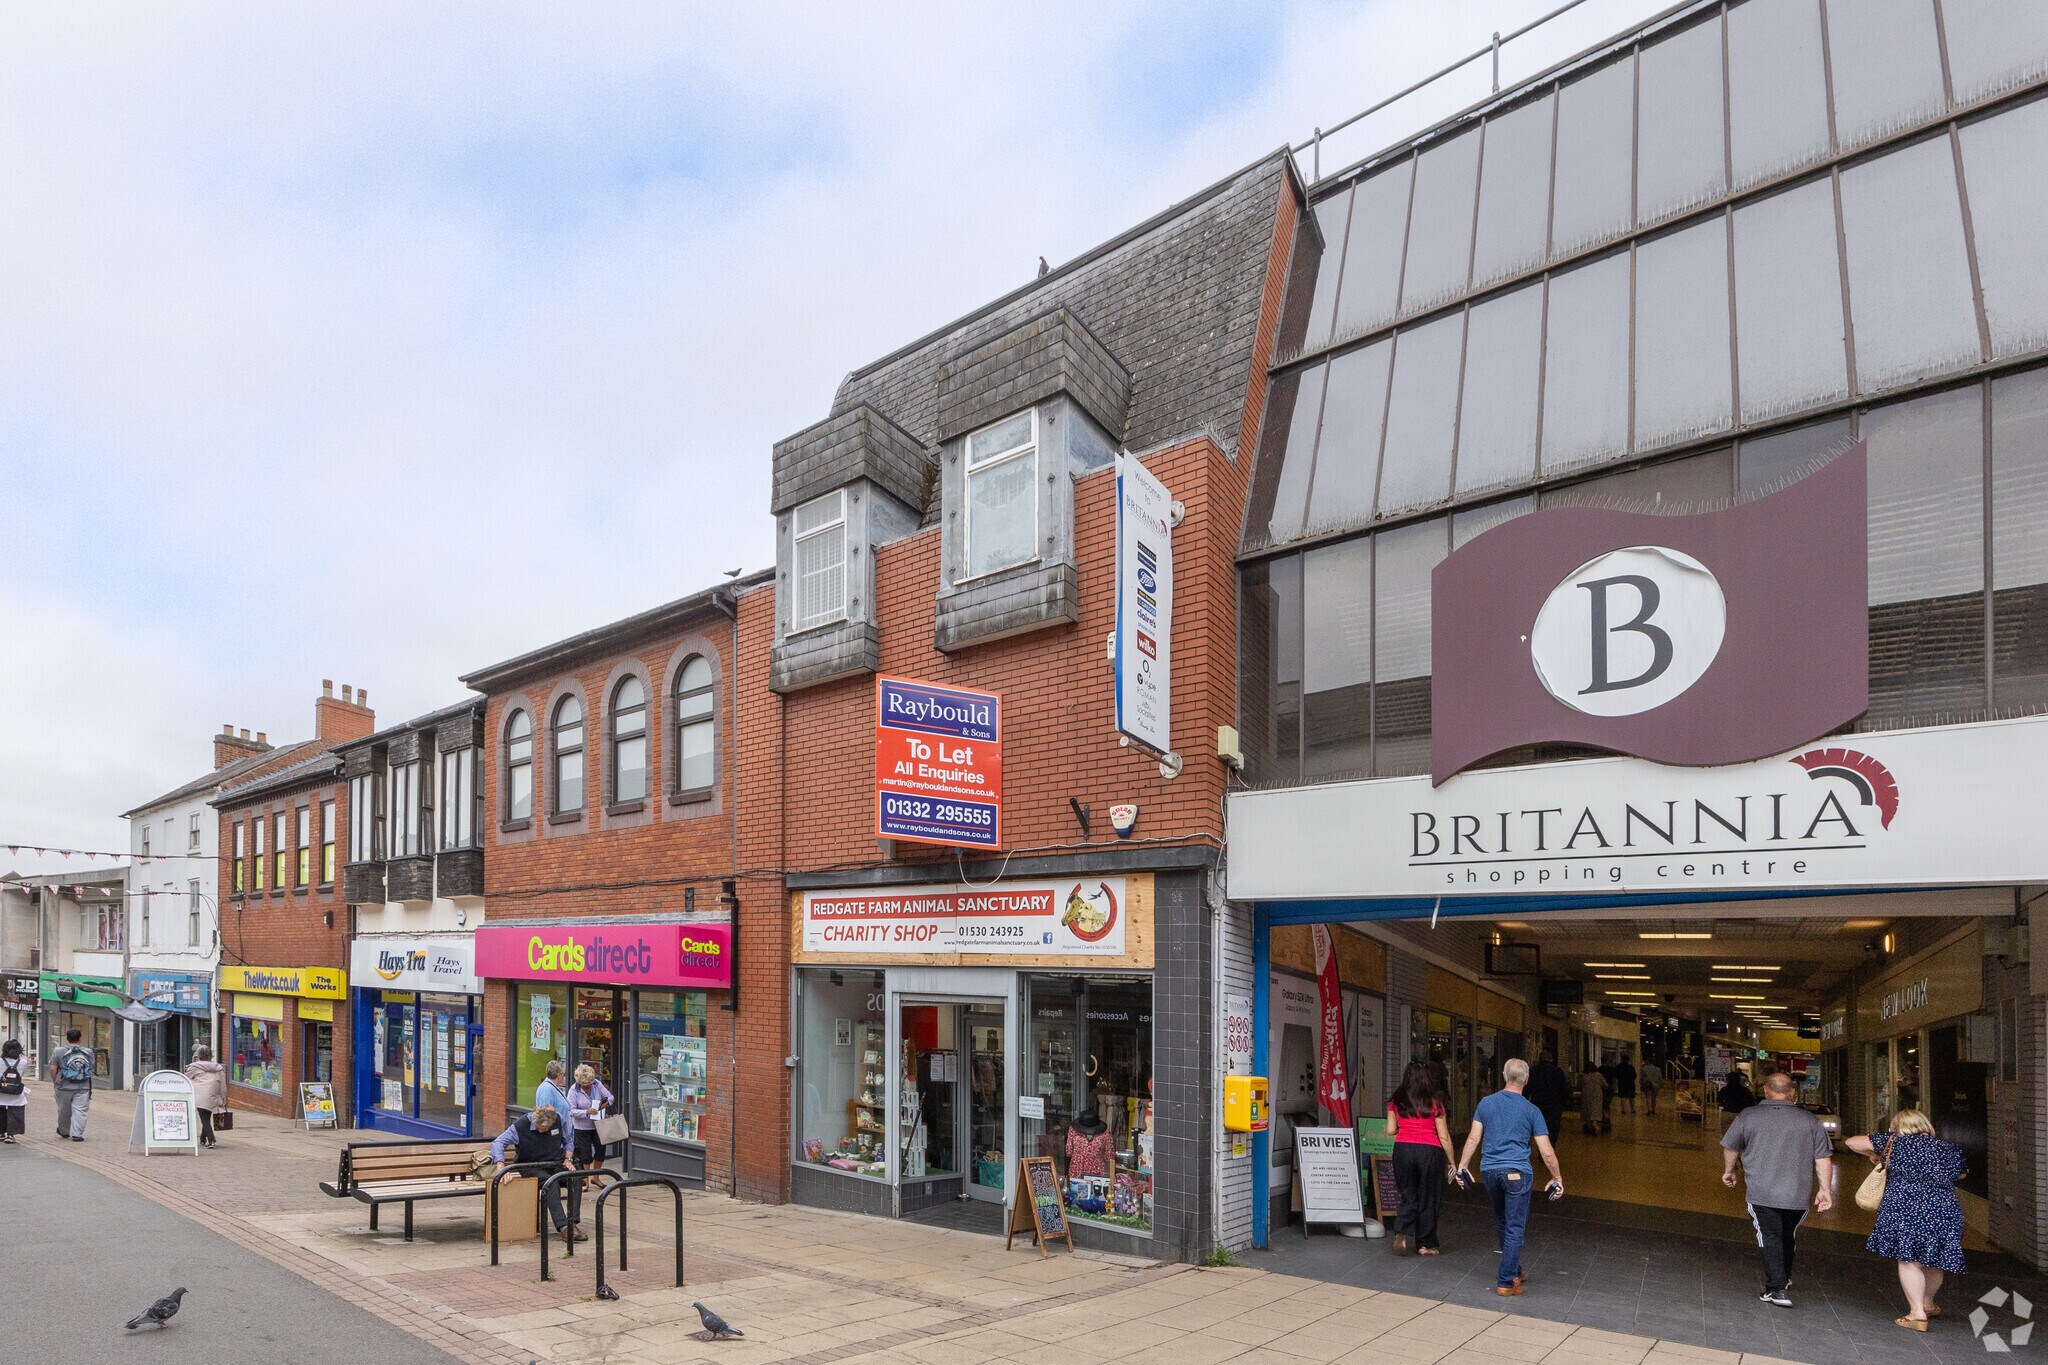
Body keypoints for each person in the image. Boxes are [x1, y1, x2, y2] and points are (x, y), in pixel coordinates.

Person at [1846, 1110, 1967, 1332]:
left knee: (1909, 1259)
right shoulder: (1948, 1149)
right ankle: (1927, 1304)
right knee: (1933, 1259)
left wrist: (1881, 1154)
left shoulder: (1894, 1142)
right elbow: (1961, 1175)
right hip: (1946, 1211)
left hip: (1906, 1209)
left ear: (1897, 1127)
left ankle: (1916, 1314)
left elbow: (1852, 1142)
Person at [1720, 1072, 1834, 1307]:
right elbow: (1823, 1158)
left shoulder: (1748, 1116)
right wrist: (1825, 1190)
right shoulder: (1809, 1120)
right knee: (1786, 1236)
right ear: (1792, 1093)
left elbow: (1731, 1145)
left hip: (1762, 1192)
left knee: (1769, 1237)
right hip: (1797, 1194)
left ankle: (1776, 1289)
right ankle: (1784, 1277)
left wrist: (1729, 1171)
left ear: (1765, 1091)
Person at [1456, 1058, 1565, 1297]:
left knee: (1504, 1222)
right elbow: (1546, 1151)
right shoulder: (1532, 1110)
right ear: (1526, 1080)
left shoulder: (1486, 1103)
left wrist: (1462, 1166)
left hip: (1490, 1172)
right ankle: (1506, 1281)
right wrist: (1557, 1177)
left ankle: (1514, 1268)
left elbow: (1474, 1139)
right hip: (1518, 1174)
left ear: (1504, 1076)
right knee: (1515, 1227)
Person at [1385, 1062, 1458, 1257]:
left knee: (1408, 1194)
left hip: (1403, 1150)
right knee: (1429, 1196)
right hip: (1430, 1151)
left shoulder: (1395, 1101)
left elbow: (1391, 1130)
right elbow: (1443, 1136)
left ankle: (1401, 1231)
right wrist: (1452, 1161)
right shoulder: (1435, 1103)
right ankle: (1425, 1245)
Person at [489, 1105, 585, 1241]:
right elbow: (498, 1142)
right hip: (530, 1166)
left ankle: (573, 1223)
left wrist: (568, 1159)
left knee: (575, 1177)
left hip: (554, 1162)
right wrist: (501, 1165)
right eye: (538, 1127)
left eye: (545, 1129)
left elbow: (568, 1140)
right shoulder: (521, 1125)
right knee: (551, 1183)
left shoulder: (558, 1119)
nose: (541, 1131)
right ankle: (564, 1227)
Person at [566, 1063, 615, 1170]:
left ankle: (596, 1177)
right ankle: (585, 1180)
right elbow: (571, 1111)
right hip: (581, 1127)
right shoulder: (573, 1090)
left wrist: (605, 1104)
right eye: (585, 1084)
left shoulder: (597, 1084)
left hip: (598, 1125)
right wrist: (586, 1112)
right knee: (585, 1155)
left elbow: (610, 1097)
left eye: (589, 1083)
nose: (588, 1086)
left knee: (601, 1151)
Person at [51, 1027, 94, 1141]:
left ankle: (64, 1131)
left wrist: (55, 1081)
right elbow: (90, 1067)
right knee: (80, 1110)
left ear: (67, 1038)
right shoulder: (88, 1052)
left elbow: (53, 1068)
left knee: (63, 1109)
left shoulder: (58, 1051)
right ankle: (77, 1134)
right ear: (80, 1038)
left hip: (63, 1085)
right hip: (83, 1085)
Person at [183, 1045, 227, 1149]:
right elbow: (223, 1084)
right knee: (206, 1116)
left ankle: (212, 1140)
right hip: (213, 1095)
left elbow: (185, 1079)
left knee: (204, 1119)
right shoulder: (218, 1068)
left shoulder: (194, 1067)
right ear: (211, 1055)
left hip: (200, 1095)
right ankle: (202, 1139)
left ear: (198, 1055)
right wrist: (223, 1097)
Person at [1524, 1052, 1570, 1141]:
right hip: (1554, 1106)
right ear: (1551, 1059)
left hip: (1538, 1104)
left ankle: (1541, 1148)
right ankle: (1549, 1148)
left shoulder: (1533, 1071)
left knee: (1538, 1128)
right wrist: (1562, 1105)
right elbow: (1564, 1089)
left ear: (1539, 1059)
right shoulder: (1558, 1071)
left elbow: (1527, 1088)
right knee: (1552, 1129)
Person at [0, 1039, 28, 1143]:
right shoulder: (23, 1062)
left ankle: (1, 1133)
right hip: (16, 1092)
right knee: (15, 1112)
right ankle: (10, 1135)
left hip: (1, 1091)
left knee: (1, 1111)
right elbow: (22, 1074)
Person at [1579, 1064, 1607, 1136]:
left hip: (1586, 1092)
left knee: (1586, 1107)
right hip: (1597, 1092)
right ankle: (1594, 1122)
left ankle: (1587, 1124)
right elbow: (1605, 1085)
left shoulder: (1583, 1075)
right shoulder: (1598, 1075)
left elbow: (1580, 1084)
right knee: (1596, 1107)